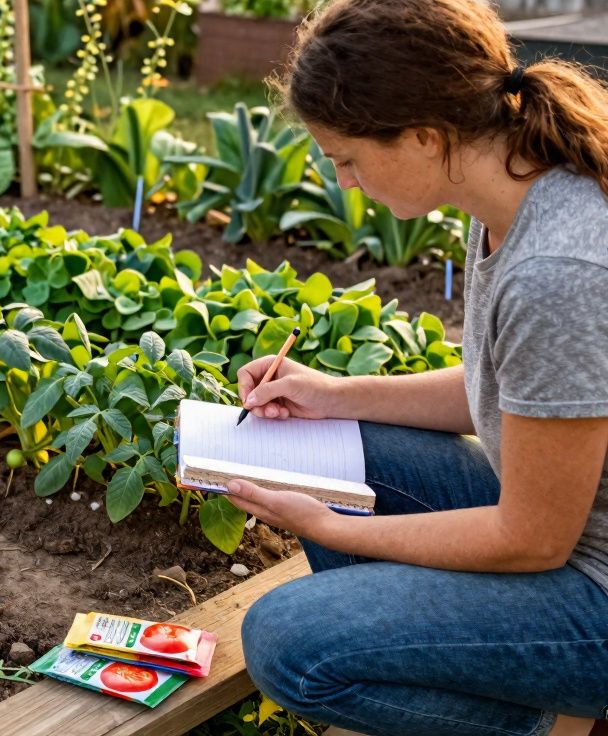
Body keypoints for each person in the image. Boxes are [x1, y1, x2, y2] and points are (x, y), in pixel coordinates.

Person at [223, 1, 608, 735]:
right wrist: (333, 396)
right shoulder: (511, 192)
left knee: (289, 643)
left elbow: (532, 539)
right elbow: (506, 392)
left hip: (593, 589)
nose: (346, 184)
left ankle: (551, 724)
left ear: (424, 137)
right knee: (328, 453)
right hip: (571, 530)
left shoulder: (558, 269)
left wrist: (337, 529)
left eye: (348, 159)